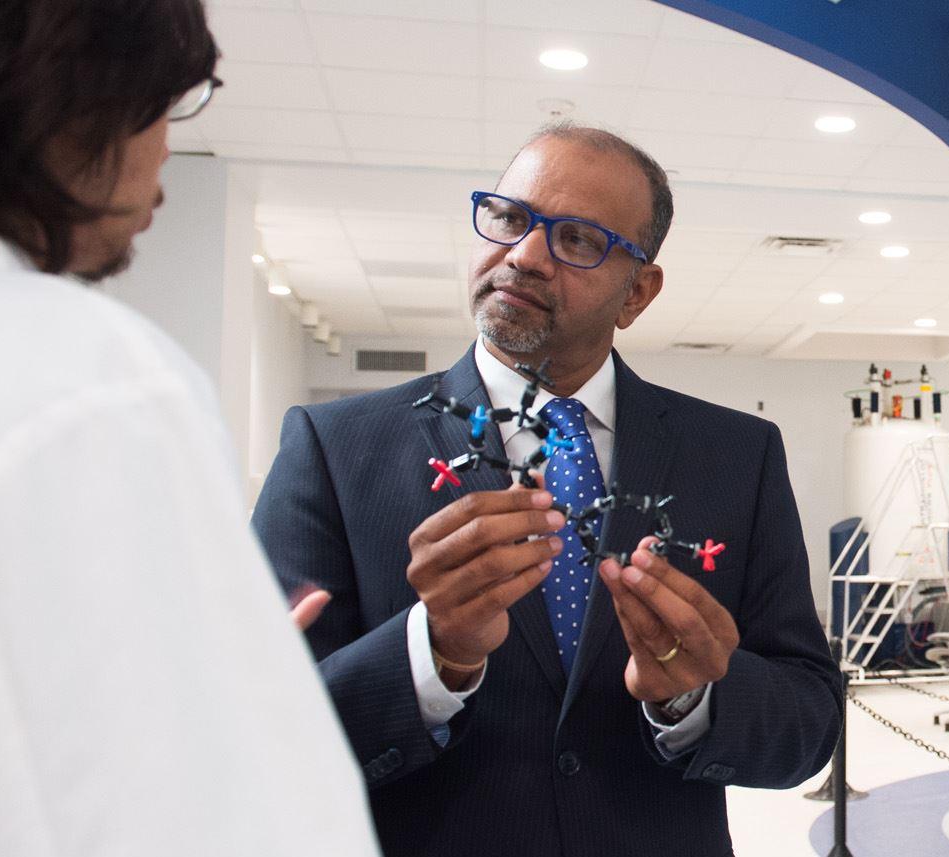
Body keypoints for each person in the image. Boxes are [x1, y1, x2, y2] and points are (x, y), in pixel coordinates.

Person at [252, 122, 844, 856]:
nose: (525, 254)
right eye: (508, 217)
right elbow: (258, 731)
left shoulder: (736, 456)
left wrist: (694, 695)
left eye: (577, 239)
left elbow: (810, 724)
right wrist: (433, 654)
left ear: (639, 291)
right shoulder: (334, 447)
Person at [0, 1, 380, 855]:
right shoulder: (74, 375)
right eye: (170, 102)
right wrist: (225, 687)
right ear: (78, 94)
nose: (164, 145)